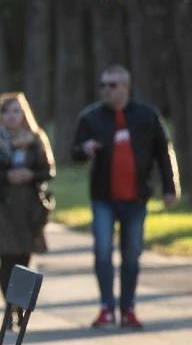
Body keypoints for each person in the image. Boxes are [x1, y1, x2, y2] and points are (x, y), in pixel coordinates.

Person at [73, 64, 182, 328]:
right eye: (103, 85)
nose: (106, 90)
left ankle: (128, 308)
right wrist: (84, 149)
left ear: (125, 87)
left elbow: (163, 153)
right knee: (102, 253)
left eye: (112, 85)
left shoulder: (146, 115)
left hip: (136, 197)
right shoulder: (91, 117)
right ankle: (106, 308)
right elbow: (74, 153)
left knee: (131, 255)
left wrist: (170, 186)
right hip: (103, 198)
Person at [0, 93, 56, 313]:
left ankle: (20, 306)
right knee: (7, 258)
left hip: (29, 207)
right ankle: (10, 308)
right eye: (7, 111)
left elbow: (49, 170)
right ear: (0, 115)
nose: (11, 116)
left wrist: (30, 174)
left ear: (24, 114)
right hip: (1, 205)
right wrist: (6, 176)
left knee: (23, 258)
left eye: (16, 111)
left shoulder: (35, 139)